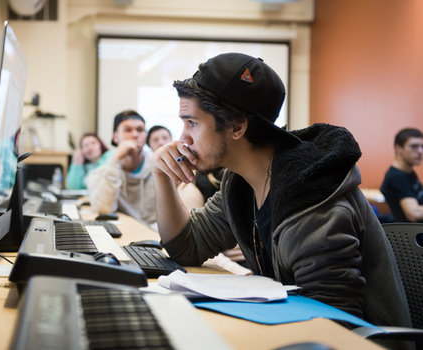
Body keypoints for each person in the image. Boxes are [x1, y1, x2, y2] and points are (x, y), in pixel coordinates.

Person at [151, 52, 410, 328]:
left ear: (237, 126)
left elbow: (335, 326)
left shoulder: (311, 200)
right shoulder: (240, 183)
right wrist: (162, 175)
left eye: (192, 123)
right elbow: (187, 246)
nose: (183, 139)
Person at [87, 110, 156, 227]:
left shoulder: (159, 169)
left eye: (140, 130)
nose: (135, 135)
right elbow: (104, 209)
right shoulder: (100, 173)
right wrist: (116, 159)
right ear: (115, 137)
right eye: (128, 130)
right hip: (126, 234)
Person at [380, 128, 423, 222]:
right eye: (414, 146)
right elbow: (413, 213)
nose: (420, 151)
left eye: (422, 146)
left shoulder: (409, 172)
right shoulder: (397, 177)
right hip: (414, 234)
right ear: (398, 148)